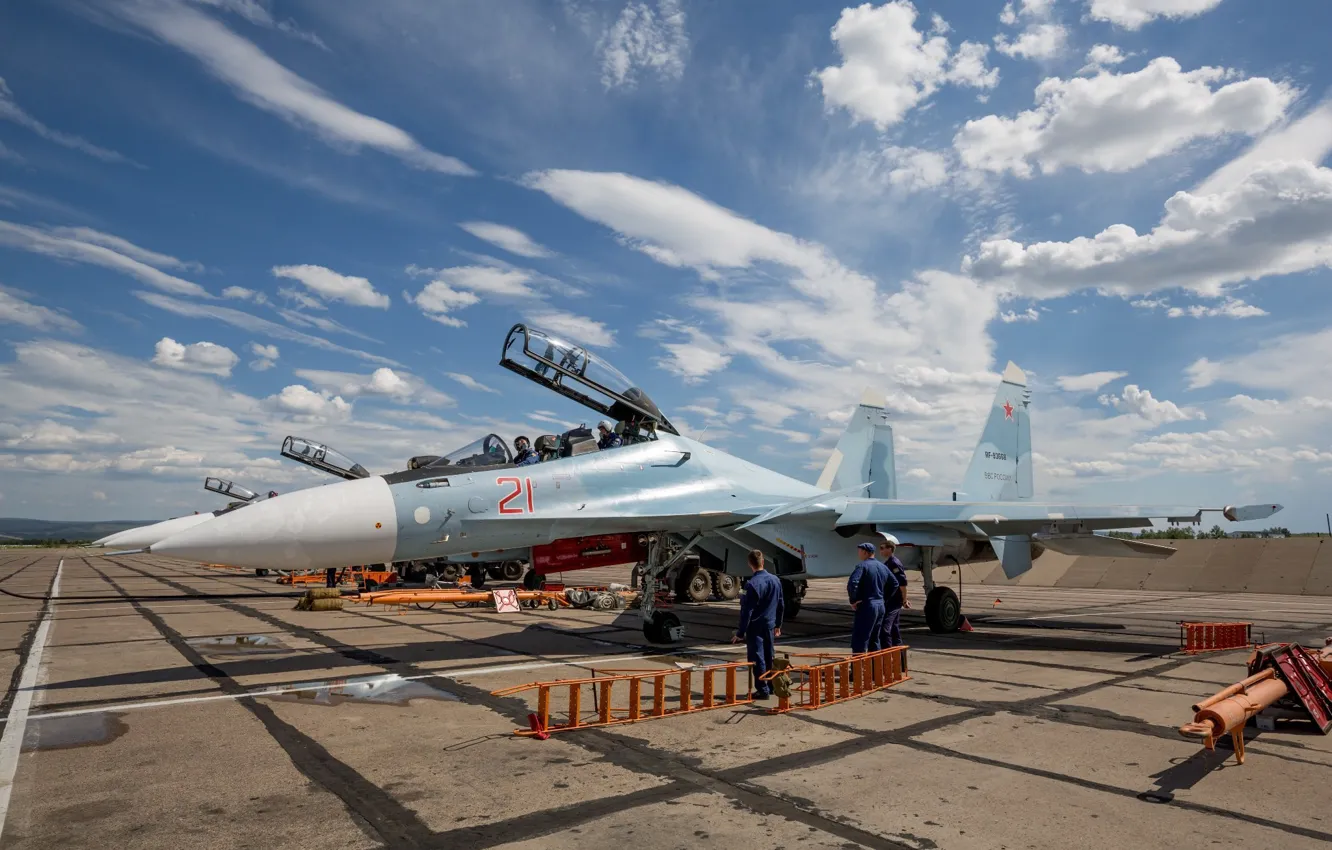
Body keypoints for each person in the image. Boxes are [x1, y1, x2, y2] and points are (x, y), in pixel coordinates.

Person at [731, 549, 783, 700]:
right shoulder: (775, 580)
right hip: (770, 625)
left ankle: (762, 689)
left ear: (749, 564)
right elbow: (781, 604)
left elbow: (747, 612)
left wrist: (740, 633)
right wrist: (778, 624)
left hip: (756, 627)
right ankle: (771, 685)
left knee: (757, 658)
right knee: (770, 656)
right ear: (763, 562)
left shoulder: (752, 585)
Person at [847, 541, 895, 654]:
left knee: (860, 639)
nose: (858, 553)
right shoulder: (882, 566)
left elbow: (853, 583)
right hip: (880, 605)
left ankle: (858, 670)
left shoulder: (862, 566)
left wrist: (853, 600)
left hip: (867, 605)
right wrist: (884, 598)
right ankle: (874, 669)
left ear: (864, 552)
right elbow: (894, 584)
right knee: (874, 639)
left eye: (859, 550)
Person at [877, 533, 909, 650]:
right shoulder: (888, 563)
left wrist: (904, 600)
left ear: (889, 549)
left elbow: (902, 583)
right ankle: (899, 658)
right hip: (890, 599)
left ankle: (887, 655)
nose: (880, 551)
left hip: (894, 601)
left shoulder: (893, 563)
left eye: (882, 548)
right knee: (894, 629)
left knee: (885, 629)